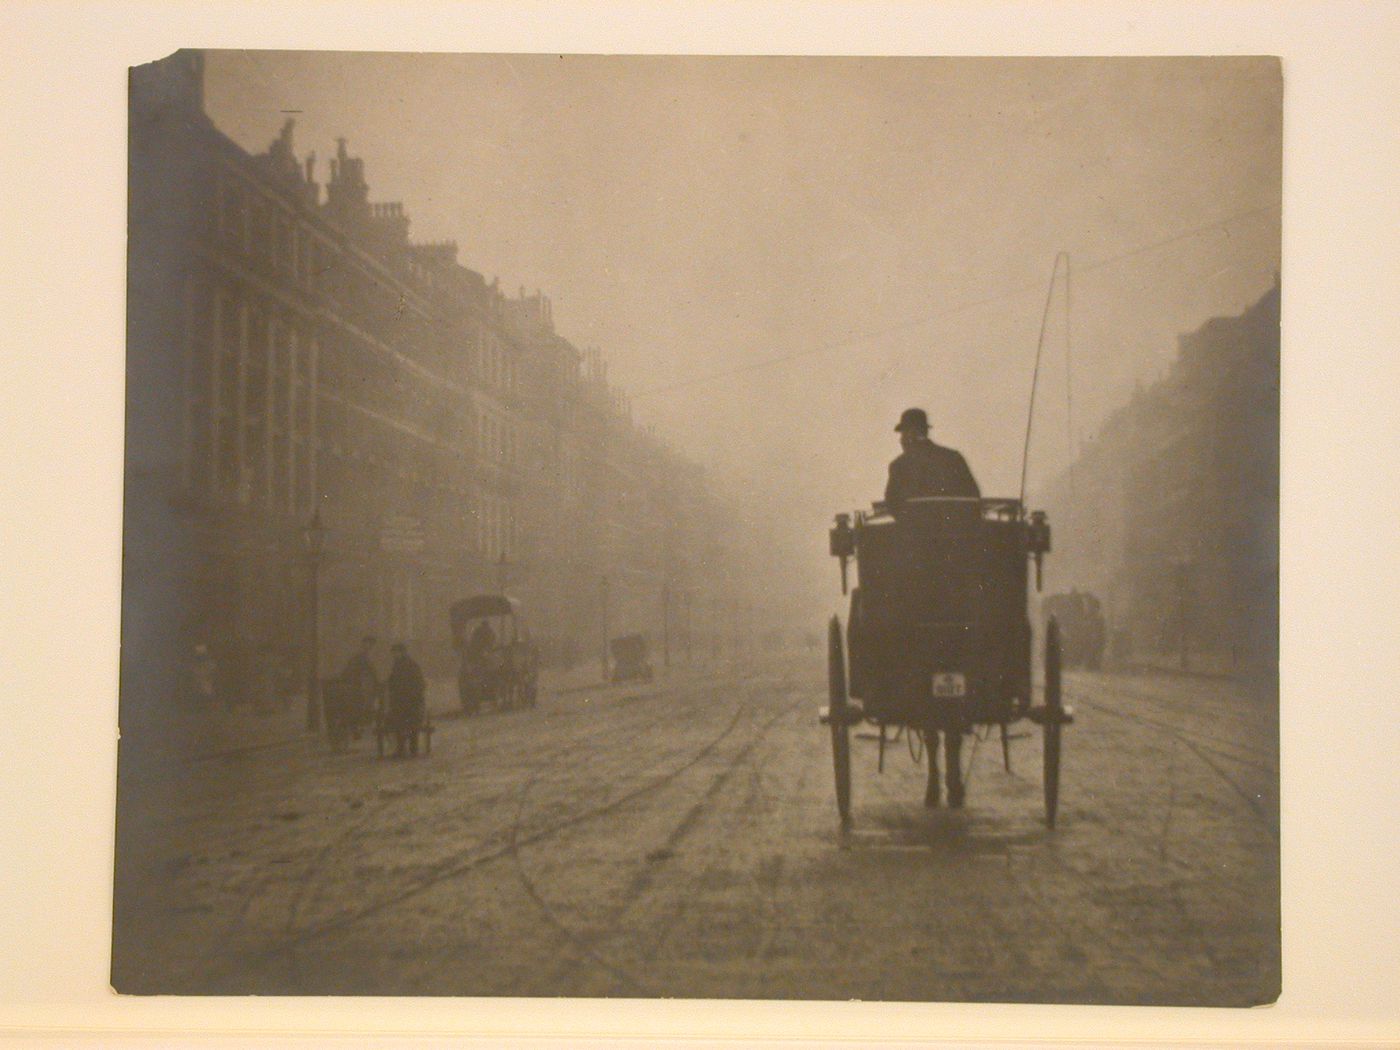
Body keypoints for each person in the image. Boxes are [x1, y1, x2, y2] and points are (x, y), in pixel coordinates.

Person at [884, 407, 981, 513]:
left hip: (916, 528)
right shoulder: (953, 457)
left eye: (902, 434)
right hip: (956, 527)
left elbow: (892, 505)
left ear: (911, 434)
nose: (901, 440)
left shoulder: (899, 465)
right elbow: (973, 498)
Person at [385, 642, 427, 758]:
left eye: (396, 652)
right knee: (398, 722)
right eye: (393, 653)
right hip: (400, 700)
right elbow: (392, 681)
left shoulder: (412, 665)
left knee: (412, 723)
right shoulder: (396, 665)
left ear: (402, 652)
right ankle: (401, 749)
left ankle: (413, 749)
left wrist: (414, 695)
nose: (394, 655)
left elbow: (420, 682)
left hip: (411, 700)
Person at [339, 635, 380, 739]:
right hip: (358, 687)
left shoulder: (367, 657)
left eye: (370, 644)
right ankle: (357, 729)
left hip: (364, 687)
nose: (368, 646)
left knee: (363, 707)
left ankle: (359, 728)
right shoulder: (360, 657)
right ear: (363, 645)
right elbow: (350, 671)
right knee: (359, 707)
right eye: (366, 644)